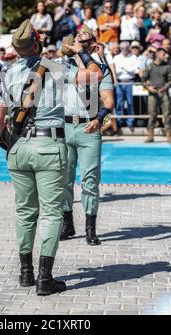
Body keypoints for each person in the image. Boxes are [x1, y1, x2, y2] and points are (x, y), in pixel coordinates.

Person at [0, 20, 103, 296]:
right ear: (38, 43)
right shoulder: (55, 67)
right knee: (51, 213)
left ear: (16, 50)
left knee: (25, 212)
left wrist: (10, 146)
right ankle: (45, 277)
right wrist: (82, 51)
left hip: (18, 147)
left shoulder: (5, 73)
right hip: (50, 144)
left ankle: (25, 272)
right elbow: (94, 76)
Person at [60, 26, 114, 244]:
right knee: (64, 179)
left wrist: (99, 118)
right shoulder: (63, 67)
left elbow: (109, 101)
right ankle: (67, 224)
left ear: (94, 43)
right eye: (77, 39)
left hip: (89, 128)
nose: (79, 41)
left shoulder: (102, 69)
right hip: (65, 126)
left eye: (85, 39)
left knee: (90, 181)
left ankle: (90, 228)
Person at [142, 48, 171, 143]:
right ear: (158, 54)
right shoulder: (149, 66)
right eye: (163, 54)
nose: (165, 56)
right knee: (152, 114)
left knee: (167, 114)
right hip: (153, 93)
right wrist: (149, 88)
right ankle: (150, 135)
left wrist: (166, 87)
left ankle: (169, 136)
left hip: (164, 92)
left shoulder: (168, 66)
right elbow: (143, 79)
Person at [113, 42, 140, 132]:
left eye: (126, 48)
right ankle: (120, 121)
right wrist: (128, 68)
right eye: (122, 48)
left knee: (130, 103)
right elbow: (116, 71)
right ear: (120, 48)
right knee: (119, 103)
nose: (124, 50)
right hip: (119, 82)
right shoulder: (116, 58)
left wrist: (123, 68)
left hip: (130, 82)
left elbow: (134, 70)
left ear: (129, 48)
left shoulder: (133, 57)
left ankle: (130, 122)